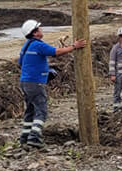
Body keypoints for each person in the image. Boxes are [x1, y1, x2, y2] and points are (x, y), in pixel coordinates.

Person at [18, 19, 84, 149]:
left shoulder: (26, 46)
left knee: (30, 110)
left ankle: (24, 137)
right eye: (39, 29)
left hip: (25, 83)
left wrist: (41, 70)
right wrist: (74, 46)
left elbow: (21, 63)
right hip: (35, 83)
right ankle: (34, 137)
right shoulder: (38, 45)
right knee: (41, 110)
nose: (41, 30)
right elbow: (56, 52)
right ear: (35, 33)